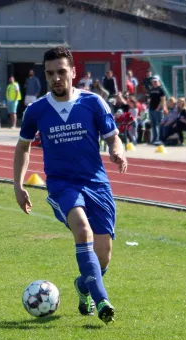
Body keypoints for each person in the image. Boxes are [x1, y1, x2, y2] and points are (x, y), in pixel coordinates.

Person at [13, 46, 127, 325]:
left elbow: (113, 136)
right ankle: (102, 302)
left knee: (103, 257)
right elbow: (23, 147)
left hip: (96, 183)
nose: (56, 78)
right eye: (50, 73)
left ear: (73, 72)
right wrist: (17, 184)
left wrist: (117, 150)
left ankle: (83, 285)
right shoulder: (36, 110)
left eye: (62, 72)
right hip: (62, 185)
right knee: (82, 229)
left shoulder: (93, 103)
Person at [148, 77, 166, 145]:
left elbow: (163, 100)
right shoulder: (151, 89)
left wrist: (158, 108)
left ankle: (160, 139)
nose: (154, 83)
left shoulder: (161, 89)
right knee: (153, 125)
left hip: (158, 110)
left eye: (155, 81)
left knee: (160, 125)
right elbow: (150, 99)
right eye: (153, 81)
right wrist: (149, 107)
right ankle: (154, 139)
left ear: (158, 81)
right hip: (151, 109)